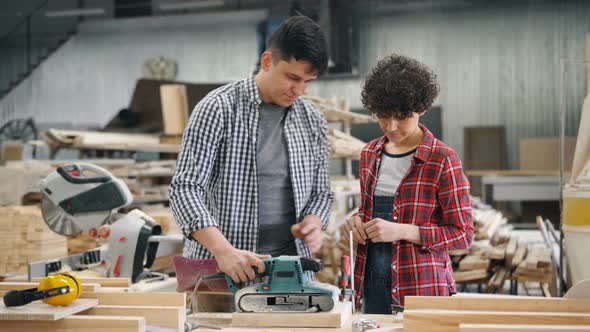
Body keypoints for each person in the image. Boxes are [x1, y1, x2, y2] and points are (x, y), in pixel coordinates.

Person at [169, 16, 333, 284]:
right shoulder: (218, 108)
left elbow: (321, 192)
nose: (299, 90)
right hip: (218, 270)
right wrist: (224, 250)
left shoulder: (312, 119)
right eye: (292, 77)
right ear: (267, 61)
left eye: (308, 81)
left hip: (289, 271)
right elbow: (185, 188)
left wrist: (314, 221)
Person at [345, 54, 474, 313]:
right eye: (383, 115)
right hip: (371, 287)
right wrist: (356, 222)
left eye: (402, 116)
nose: (391, 126)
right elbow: (367, 210)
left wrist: (403, 231)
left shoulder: (442, 159)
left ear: (421, 109)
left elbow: (463, 234)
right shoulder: (369, 154)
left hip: (423, 290)